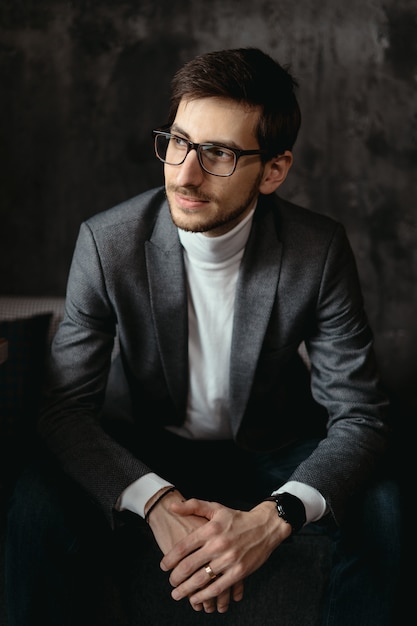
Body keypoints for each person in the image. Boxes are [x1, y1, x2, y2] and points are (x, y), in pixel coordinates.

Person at [5, 47, 401, 625]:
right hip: (143, 440)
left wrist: (271, 520)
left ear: (274, 170)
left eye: (218, 153)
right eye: (179, 142)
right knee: (33, 503)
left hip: (270, 446)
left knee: (386, 505)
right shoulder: (106, 242)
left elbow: (362, 415)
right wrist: (155, 502)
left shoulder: (317, 250)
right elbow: (64, 410)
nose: (185, 173)